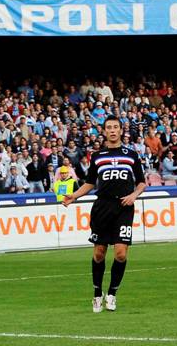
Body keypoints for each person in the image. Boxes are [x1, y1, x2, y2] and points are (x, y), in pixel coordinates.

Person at [62, 116, 146, 313]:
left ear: (121, 130)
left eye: (116, 127)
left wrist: (134, 195)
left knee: (121, 253)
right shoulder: (97, 156)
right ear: (104, 131)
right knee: (99, 254)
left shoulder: (131, 155)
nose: (113, 130)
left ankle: (112, 294)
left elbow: (142, 182)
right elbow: (90, 183)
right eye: (109, 127)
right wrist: (74, 196)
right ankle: (97, 294)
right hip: (102, 207)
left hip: (124, 207)